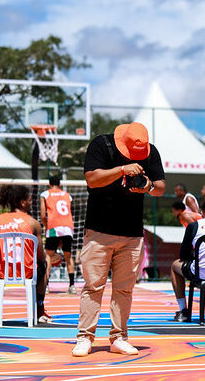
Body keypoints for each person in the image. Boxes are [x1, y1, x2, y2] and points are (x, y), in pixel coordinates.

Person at [72, 122, 166, 357]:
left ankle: (119, 337)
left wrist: (149, 186)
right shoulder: (101, 145)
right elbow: (92, 179)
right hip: (99, 231)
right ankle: (85, 337)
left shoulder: (149, 151)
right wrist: (122, 170)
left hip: (132, 233)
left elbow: (161, 187)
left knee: (125, 289)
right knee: (93, 286)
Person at [0, 185, 51, 323]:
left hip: (1, 272)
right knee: (47, 260)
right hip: (28, 272)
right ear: (22, 202)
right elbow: (40, 256)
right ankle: (39, 308)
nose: (32, 203)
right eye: (30, 200)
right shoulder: (33, 223)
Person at [40, 174, 77, 294]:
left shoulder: (45, 194)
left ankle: (46, 286)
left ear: (49, 184)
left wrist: (47, 227)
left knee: (48, 256)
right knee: (68, 256)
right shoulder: (67, 195)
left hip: (53, 226)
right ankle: (72, 285)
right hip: (68, 227)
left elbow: (42, 215)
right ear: (60, 184)